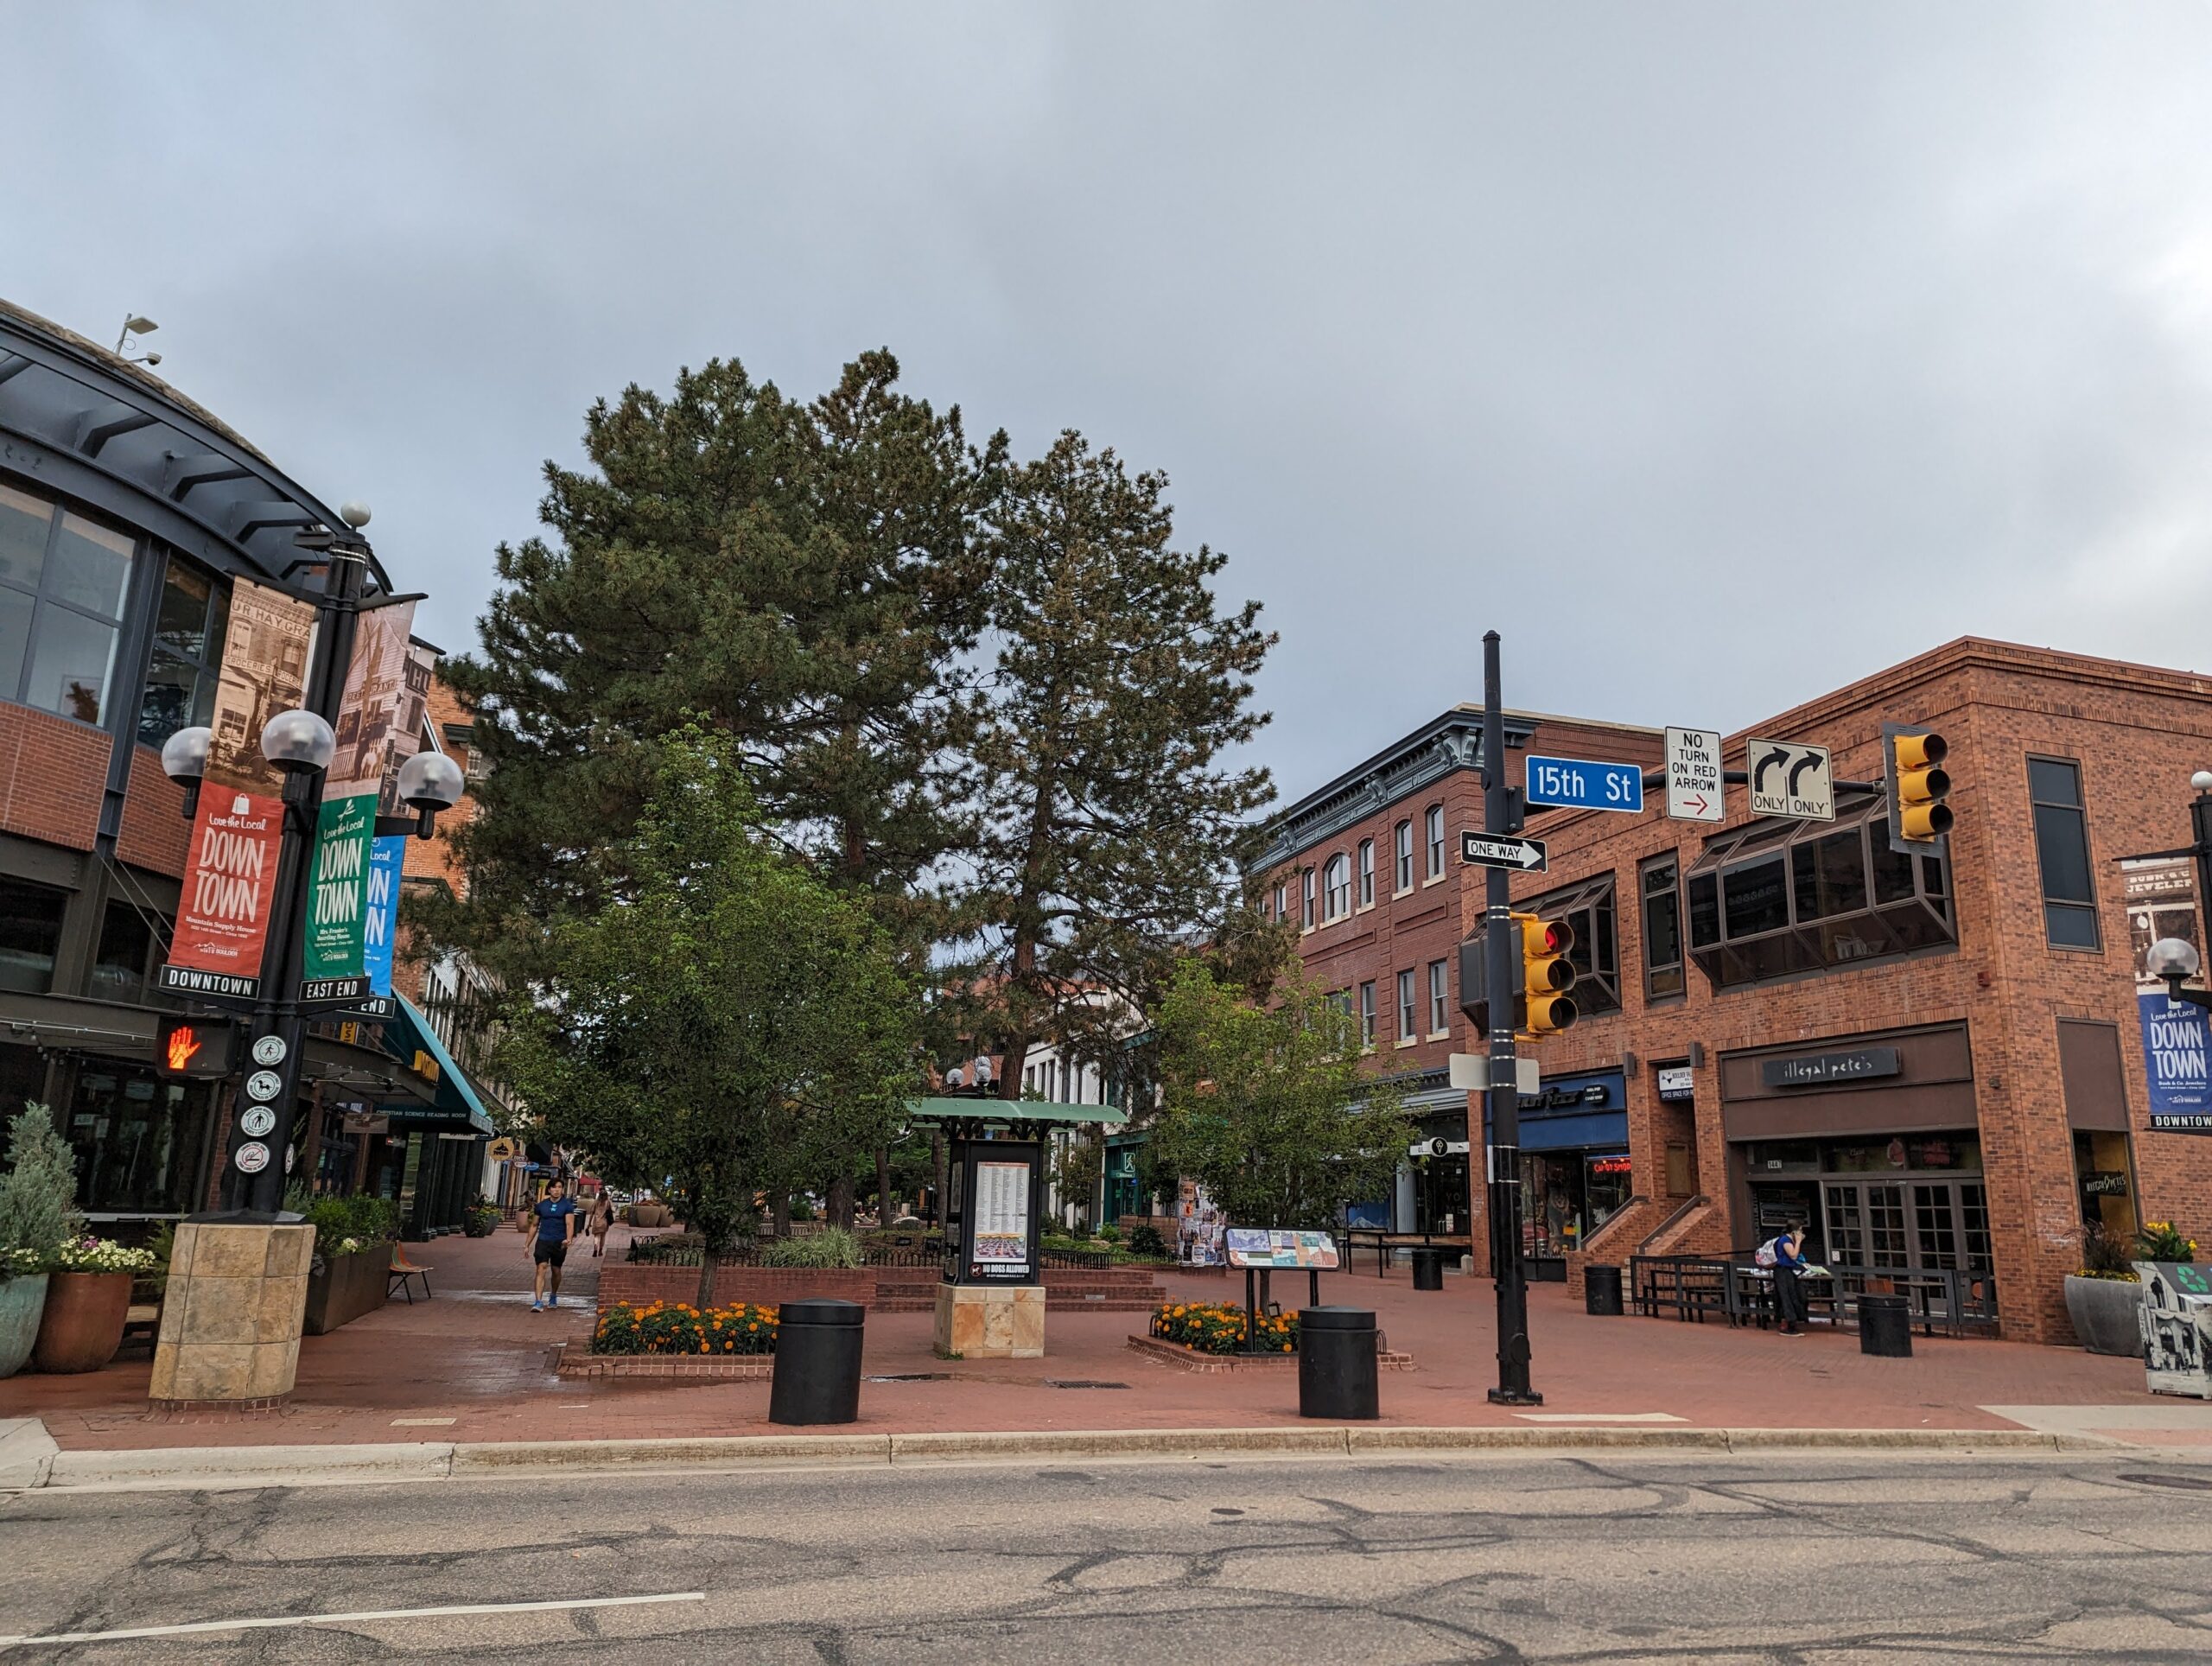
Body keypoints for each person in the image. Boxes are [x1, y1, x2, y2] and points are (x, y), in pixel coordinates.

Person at [530, 1178, 577, 1311]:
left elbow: (570, 1224)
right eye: (554, 1187)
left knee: (556, 1270)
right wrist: (527, 1244)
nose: (557, 1190)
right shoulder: (541, 1205)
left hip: (559, 1242)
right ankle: (538, 1301)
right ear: (549, 1189)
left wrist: (568, 1239)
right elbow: (534, 1225)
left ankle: (553, 1295)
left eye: (560, 1187)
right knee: (541, 1267)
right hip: (543, 1240)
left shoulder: (567, 1205)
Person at [1771, 1224, 1812, 1336]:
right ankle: (1789, 1325)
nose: (1802, 1233)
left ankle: (1792, 1322)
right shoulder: (1785, 1240)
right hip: (1783, 1271)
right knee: (1787, 1296)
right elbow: (1793, 1255)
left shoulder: (1788, 1241)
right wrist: (1798, 1242)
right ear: (1794, 1232)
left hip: (1788, 1271)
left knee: (1797, 1295)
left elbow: (1794, 1258)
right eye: (1800, 1231)